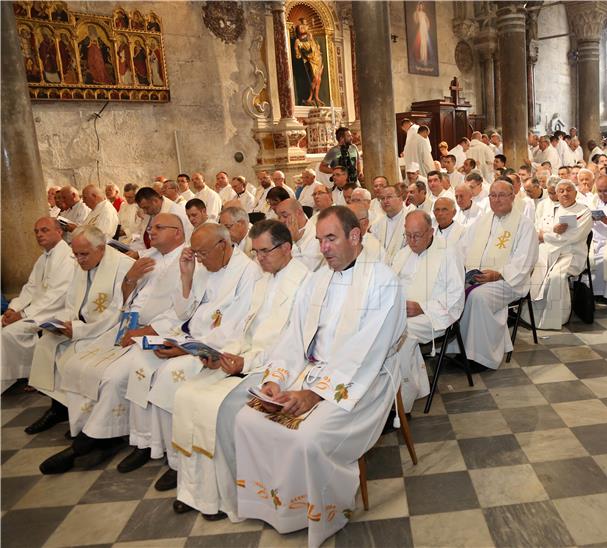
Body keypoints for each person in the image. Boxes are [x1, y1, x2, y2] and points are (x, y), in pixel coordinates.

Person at [234, 206, 405, 546]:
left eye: (331, 238)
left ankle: (319, 514)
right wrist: (277, 380)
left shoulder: (382, 280)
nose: (323, 248)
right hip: (315, 370)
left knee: (308, 437)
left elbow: (366, 352)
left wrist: (313, 394)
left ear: (354, 237)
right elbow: (294, 336)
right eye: (319, 240)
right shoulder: (317, 278)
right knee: (246, 419)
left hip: (363, 381)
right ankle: (277, 506)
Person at [172, 220, 309, 521]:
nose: (259, 259)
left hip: (275, 367)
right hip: (246, 356)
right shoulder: (263, 279)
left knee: (218, 409)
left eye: (264, 252)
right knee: (186, 395)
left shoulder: (304, 283)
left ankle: (228, 497)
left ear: (286, 248)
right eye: (256, 251)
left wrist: (245, 363)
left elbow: (292, 344)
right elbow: (245, 327)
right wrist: (223, 353)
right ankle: (197, 490)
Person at [39, 215, 186, 474]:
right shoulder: (147, 257)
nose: (152, 231)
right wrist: (129, 280)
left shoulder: (187, 260)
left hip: (158, 332)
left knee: (112, 376)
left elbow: (185, 309)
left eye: (159, 228)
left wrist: (147, 330)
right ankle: (97, 432)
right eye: (151, 228)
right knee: (77, 364)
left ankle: (90, 442)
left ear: (178, 232)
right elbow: (126, 301)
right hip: (128, 327)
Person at [122, 223, 261, 492]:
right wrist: (186, 275)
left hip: (212, 347)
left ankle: (177, 461)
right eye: (194, 253)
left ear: (223, 245)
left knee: (167, 376)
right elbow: (184, 312)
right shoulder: (205, 266)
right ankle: (148, 442)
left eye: (203, 253)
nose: (199, 259)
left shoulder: (247, 273)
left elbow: (236, 328)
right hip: (186, 336)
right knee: (140, 359)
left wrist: (187, 349)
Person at [26, 227, 135, 444]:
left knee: (72, 356)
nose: (79, 259)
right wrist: (62, 322)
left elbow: (117, 312)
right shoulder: (81, 263)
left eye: (83, 254)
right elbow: (72, 300)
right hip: (79, 325)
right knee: (46, 344)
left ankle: (80, 415)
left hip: (103, 331)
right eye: (75, 254)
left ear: (101, 249)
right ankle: (57, 407)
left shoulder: (123, 267)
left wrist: (78, 330)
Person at [457, 180, 537, 369]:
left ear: (512, 197)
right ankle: (458, 348)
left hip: (510, 281)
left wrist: (498, 274)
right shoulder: (483, 221)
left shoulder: (524, 225)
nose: (497, 199)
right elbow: (463, 247)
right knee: (453, 291)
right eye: (493, 195)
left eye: (502, 195)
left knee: (478, 298)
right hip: (479, 277)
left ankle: (480, 357)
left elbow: (525, 261)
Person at [391, 210, 464, 409]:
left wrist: (422, 307)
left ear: (431, 232)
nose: (412, 241)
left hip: (435, 315)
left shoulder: (448, 253)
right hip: (403, 312)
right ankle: (403, 389)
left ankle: (401, 403)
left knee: (398, 335)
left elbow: (455, 295)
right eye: (408, 235)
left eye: (417, 236)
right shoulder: (402, 254)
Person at [2, 218, 73, 393]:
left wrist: (23, 314)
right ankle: (12, 373)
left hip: (55, 311)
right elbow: (30, 287)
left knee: (11, 332)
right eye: (36, 231)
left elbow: (57, 295)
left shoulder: (68, 257)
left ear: (59, 232)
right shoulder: (43, 258)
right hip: (36, 309)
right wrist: (13, 308)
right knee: (3, 322)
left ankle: (28, 375)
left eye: (44, 230)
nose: (39, 234)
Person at [530, 181, 592, 329]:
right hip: (550, 251)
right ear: (557, 195)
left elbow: (572, 237)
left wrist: (546, 236)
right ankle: (533, 313)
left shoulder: (584, 211)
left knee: (555, 276)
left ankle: (556, 318)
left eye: (569, 190)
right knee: (533, 271)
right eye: (561, 191)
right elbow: (539, 229)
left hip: (572, 253)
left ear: (575, 193)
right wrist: (552, 231)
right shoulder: (552, 209)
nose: (565, 193)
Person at [273, 198, 324, 271]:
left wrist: (296, 240)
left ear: (299, 212)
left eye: (285, 216)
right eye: (279, 217)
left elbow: (306, 269)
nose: (281, 221)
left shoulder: (316, 236)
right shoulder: (282, 234)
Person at [372, 185, 409, 262]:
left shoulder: (410, 220)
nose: (385, 201)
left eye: (389, 197)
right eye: (382, 198)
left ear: (400, 198)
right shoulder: (377, 224)